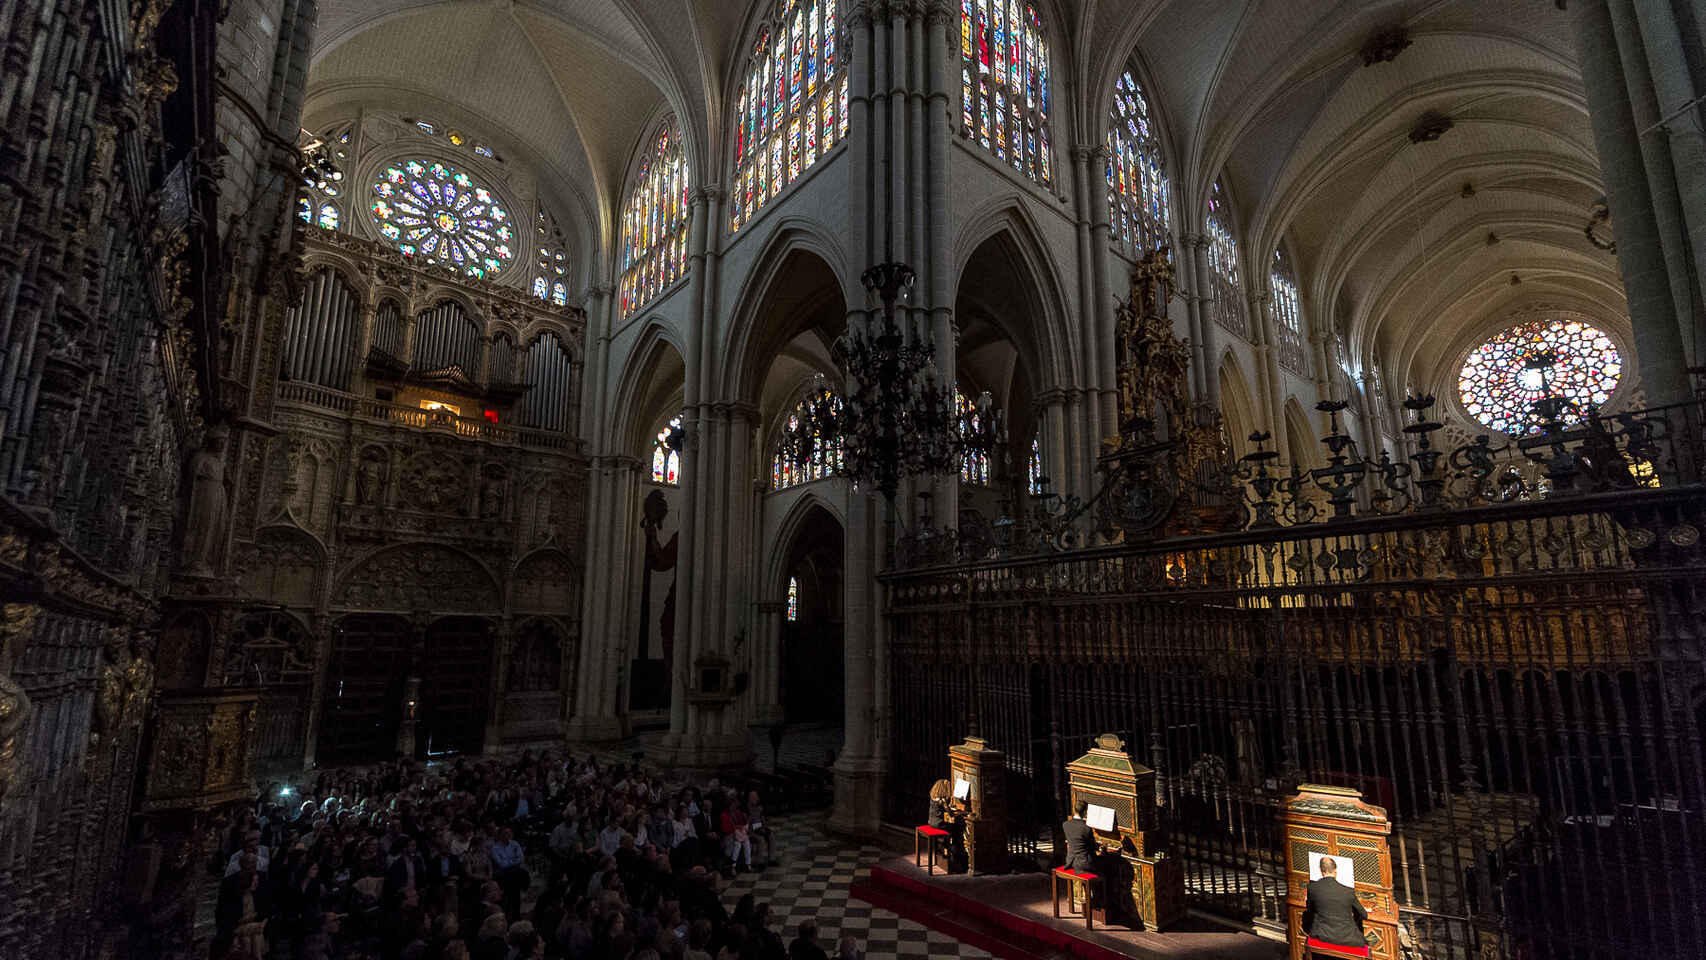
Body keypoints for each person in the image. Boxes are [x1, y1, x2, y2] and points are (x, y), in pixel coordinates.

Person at [1304, 856, 1367, 947]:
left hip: (1321, 935)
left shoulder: (1312, 888)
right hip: (1348, 939)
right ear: (1335, 871)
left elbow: (1310, 910)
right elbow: (1364, 915)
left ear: (1321, 870)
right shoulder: (1348, 891)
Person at [1062, 799, 1096, 873]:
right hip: (1084, 864)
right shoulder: (1086, 828)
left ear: (1075, 810)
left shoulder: (1065, 825)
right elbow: (1093, 847)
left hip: (1070, 861)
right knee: (1107, 864)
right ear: (1085, 812)